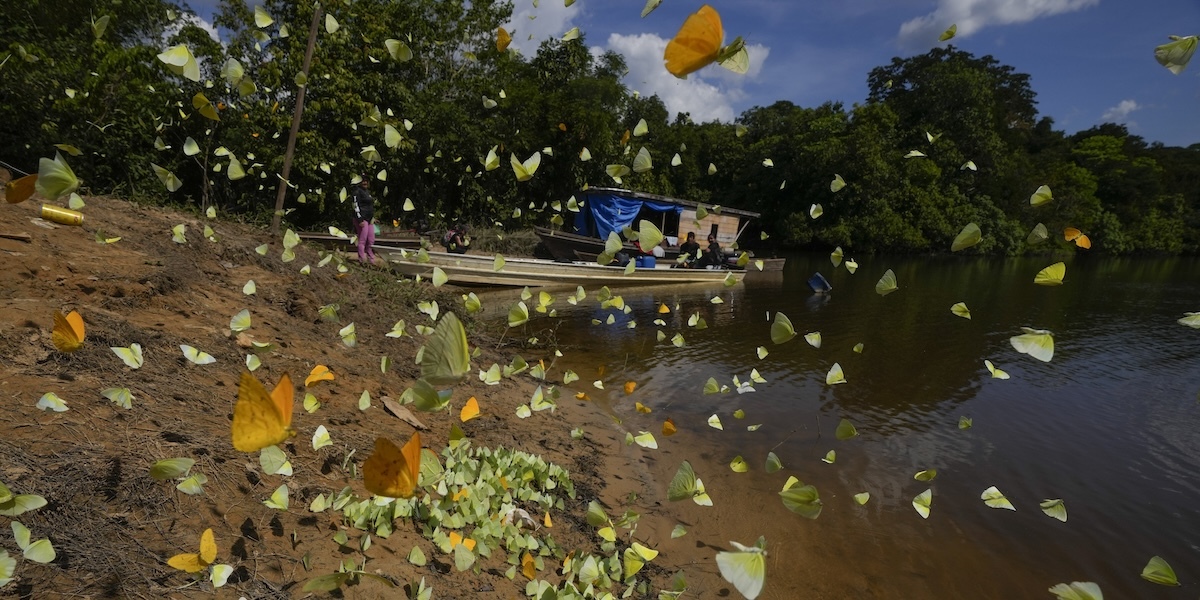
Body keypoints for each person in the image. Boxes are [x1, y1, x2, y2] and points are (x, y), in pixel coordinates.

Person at [351, 176, 376, 264]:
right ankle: (362, 259)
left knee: (371, 240)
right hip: (362, 219)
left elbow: (369, 206)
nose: (365, 183)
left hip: (369, 219)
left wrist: (373, 217)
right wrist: (360, 219)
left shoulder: (367, 192)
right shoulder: (357, 192)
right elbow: (355, 205)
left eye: (366, 181)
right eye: (363, 181)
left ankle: (371, 258)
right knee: (362, 240)